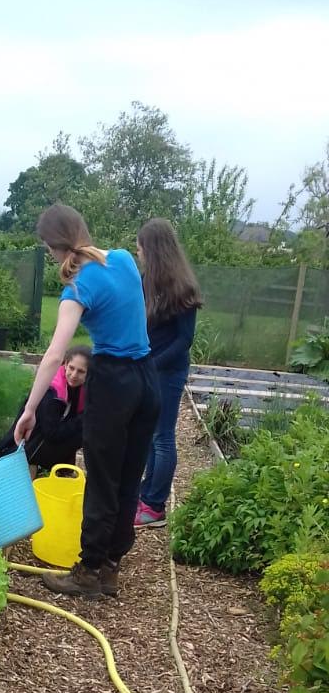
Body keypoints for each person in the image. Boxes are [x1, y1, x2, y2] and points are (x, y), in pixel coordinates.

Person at [14, 204, 160, 600]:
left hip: (113, 383)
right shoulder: (124, 259)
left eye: (48, 248)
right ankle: (111, 566)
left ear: (54, 246)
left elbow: (53, 356)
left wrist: (30, 410)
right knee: (129, 476)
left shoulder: (77, 290)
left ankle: (90, 570)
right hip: (147, 379)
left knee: (102, 479)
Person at [134, 218, 203, 528]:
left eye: (140, 248)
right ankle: (146, 493)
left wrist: (153, 364)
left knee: (162, 437)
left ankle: (155, 506)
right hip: (148, 368)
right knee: (149, 435)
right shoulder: (146, 281)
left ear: (153, 249)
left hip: (168, 372)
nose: (138, 253)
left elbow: (184, 340)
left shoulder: (182, 287)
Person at [0, 345, 92, 472]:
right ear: (66, 364)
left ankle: (64, 469)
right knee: (86, 428)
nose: (74, 375)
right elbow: (52, 433)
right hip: (28, 447)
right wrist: (84, 417)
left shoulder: (80, 389)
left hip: (43, 443)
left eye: (81, 371)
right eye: (72, 368)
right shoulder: (52, 391)